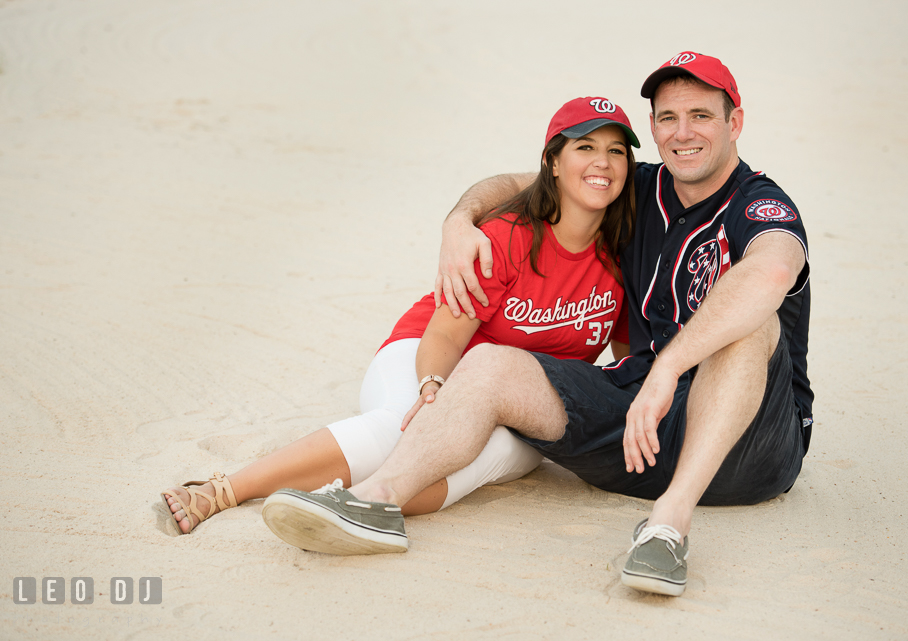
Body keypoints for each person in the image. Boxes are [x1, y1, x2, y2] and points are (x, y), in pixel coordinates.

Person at [268, 52, 813, 598]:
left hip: (750, 446)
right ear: (653, 127)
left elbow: (771, 271)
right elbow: (526, 185)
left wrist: (669, 367)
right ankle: (376, 501)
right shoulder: (640, 187)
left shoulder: (760, 205)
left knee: (751, 327)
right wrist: (459, 221)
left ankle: (666, 528)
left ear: (734, 122)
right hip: (642, 433)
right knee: (490, 363)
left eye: (701, 115)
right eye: (668, 118)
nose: (683, 132)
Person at [161, 96, 641, 539]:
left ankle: (334, 505)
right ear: (553, 163)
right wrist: (434, 389)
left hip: (520, 400)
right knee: (408, 428)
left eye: (617, 151)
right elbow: (445, 336)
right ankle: (223, 489)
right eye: (586, 146)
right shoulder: (507, 237)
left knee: (477, 460)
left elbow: (623, 363)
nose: (603, 162)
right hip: (428, 354)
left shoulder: (624, 258)